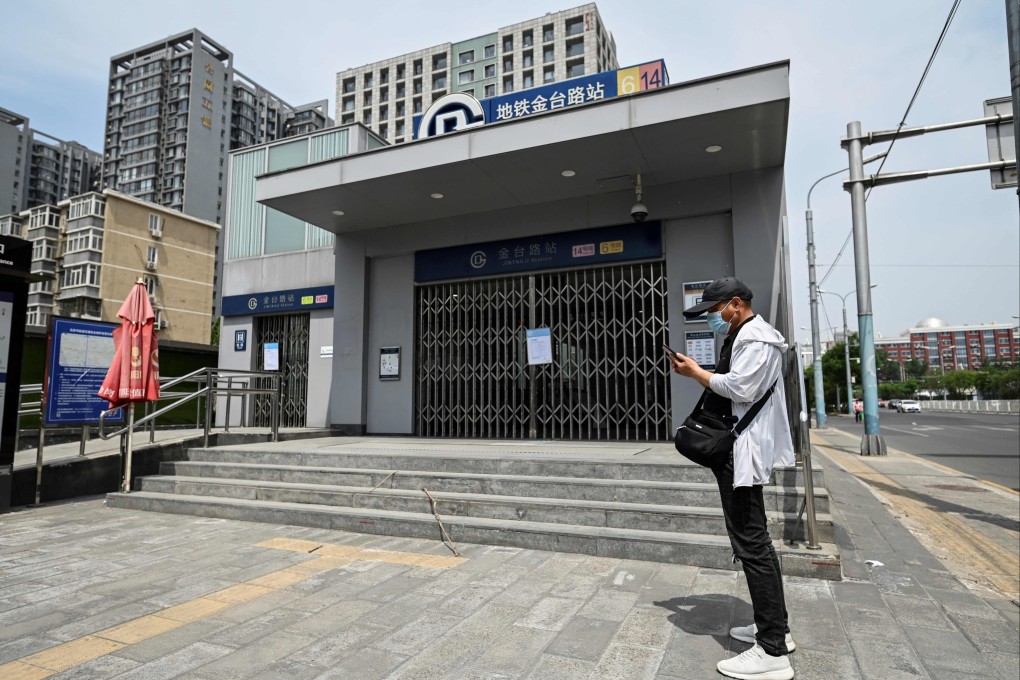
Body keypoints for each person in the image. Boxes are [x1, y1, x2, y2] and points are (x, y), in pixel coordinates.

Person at [669, 276, 797, 680]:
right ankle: (774, 629)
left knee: (751, 544)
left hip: (741, 455)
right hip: (740, 451)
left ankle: (773, 652)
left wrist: (695, 373)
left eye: (714, 311)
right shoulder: (744, 335)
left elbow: (740, 388)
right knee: (755, 542)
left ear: (736, 304)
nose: (712, 319)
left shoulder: (756, 338)